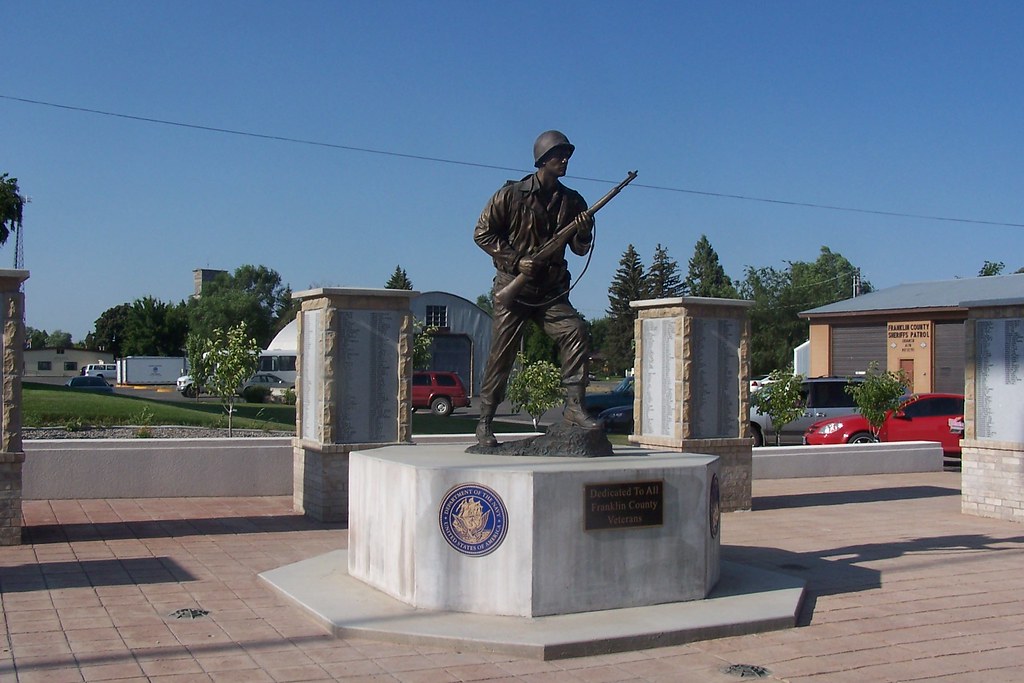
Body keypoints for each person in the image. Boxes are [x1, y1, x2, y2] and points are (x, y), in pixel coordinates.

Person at [473, 130, 601, 447]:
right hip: (514, 290)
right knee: (500, 357)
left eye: (568, 154)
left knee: (575, 332)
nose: (565, 160)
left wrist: (583, 233)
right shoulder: (511, 195)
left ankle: (574, 408)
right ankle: (486, 421)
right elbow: (482, 233)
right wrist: (516, 261)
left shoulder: (574, 202)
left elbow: (579, 249)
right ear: (543, 160)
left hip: (550, 292)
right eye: (559, 155)